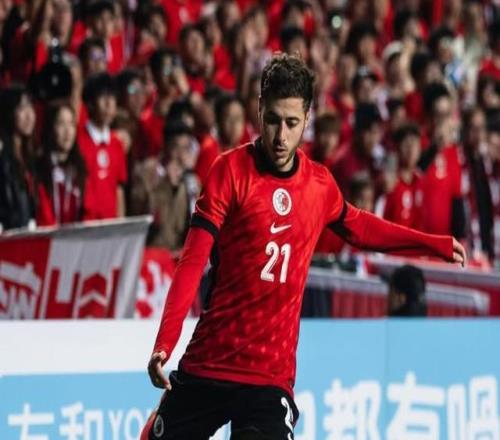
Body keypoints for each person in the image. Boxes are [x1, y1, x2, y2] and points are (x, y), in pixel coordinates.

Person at [142, 53, 465, 440]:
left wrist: (432, 244)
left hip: (269, 379)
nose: (281, 136)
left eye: (292, 123)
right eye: (273, 120)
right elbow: (193, 261)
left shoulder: (319, 185)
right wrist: (165, 342)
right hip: (210, 362)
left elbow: (362, 228)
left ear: (307, 119)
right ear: (259, 110)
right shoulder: (229, 172)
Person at [35, 102, 87, 226]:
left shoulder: (81, 167)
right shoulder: (40, 168)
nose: (67, 131)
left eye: (71, 124)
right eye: (61, 124)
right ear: (51, 128)